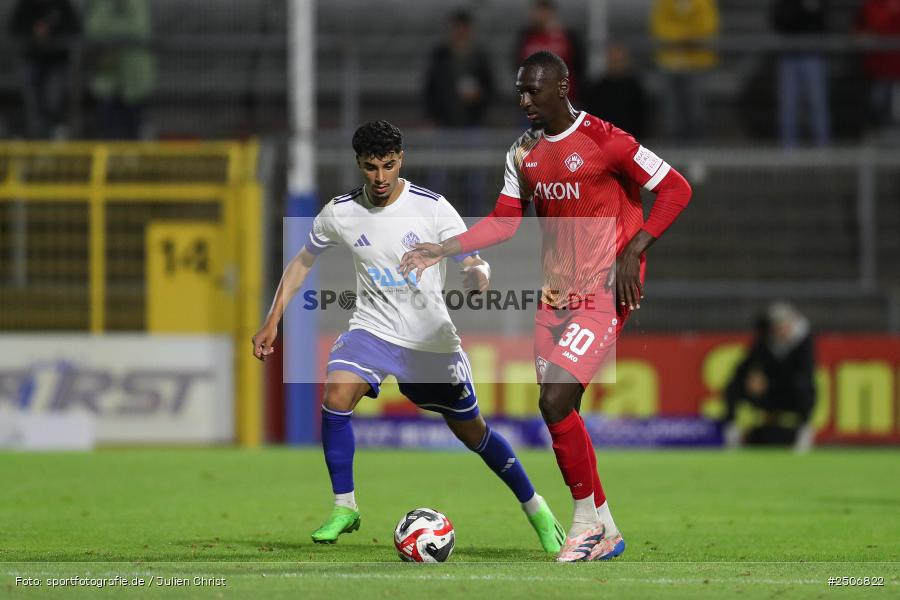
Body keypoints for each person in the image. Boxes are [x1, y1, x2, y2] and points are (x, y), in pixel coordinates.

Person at [400, 52, 692, 562]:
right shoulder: (523, 152)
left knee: (554, 401)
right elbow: (505, 221)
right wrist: (445, 248)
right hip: (554, 296)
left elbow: (675, 188)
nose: (524, 100)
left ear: (562, 87)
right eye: (520, 90)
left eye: (533, 91)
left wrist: (635, 249)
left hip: (603, 290)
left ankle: (582, 525)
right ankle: (607, 529)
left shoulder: (608, 140)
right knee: (564, 412)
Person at [251, 120, 564, 552]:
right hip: (371, 331)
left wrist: (476, 274)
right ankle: (345, 505)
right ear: (358, 165)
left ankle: (537, 509)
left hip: (430, 344)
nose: (380, 177)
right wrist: (273, 319)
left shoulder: (431, 208)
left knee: (475, 434)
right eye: (370, 167)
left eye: (388, 165)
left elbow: (474, 260)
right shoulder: (340, 212)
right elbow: (303, 261)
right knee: (335, 396)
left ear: (402, 160)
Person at [422, 9, 494, 215]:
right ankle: (436, 220)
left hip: (473, 124)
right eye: (456, 28)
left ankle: (473, 219)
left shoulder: (480, 57)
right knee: (438, 179)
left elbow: (491, 89)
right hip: (444, 125)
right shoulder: (440, 55)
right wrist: (430, 117)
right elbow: (429, 88)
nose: (460, 32)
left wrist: (480, 97)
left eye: (463, 28)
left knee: (475, 180)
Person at [722, 302, 816, 452]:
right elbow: (744, 366)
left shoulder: (803, 341)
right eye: (775, 326)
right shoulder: (766, 339)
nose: (778, 330)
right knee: (733, 385)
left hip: (790, 392)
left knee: (802, 386)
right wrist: (752, 377)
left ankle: (804, 430)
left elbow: (805, 374)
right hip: (768, 392)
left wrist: (769, 381)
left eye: (782, 325)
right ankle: (732, 432)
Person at [8, 0, 81, 139]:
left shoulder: (61, 4)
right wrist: (33, 31)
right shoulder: (26, 4)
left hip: (56, 62)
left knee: (53, 101)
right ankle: (38, 142)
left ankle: (54, 138)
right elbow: (14, 28)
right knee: (34, 107)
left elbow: (75, 28)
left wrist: (52, 33)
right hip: (32, 60)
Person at [649, 0, 719, 143]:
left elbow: (707, 27)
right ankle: (674, 156)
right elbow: (659, 27)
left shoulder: (704, 3)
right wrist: (686, 36)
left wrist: (677, 36)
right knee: (672, 115)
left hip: (697, 64)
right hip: (669, 63)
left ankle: (698, 157)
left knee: (697, 113)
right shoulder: (665, 3)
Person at [84, 0, 155, 139]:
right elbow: (93, 30)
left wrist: (110, 31)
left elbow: (137, 29)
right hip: (105, 79)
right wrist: (120, 32)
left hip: (135, 81)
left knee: (134, 130)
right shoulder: (99, 4)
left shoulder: (137, 3)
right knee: (107, 131)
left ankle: (132, 159)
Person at [769, 0, 831, 148]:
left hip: (813, 55)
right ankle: (788, 152)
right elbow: (778, 19)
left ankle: (823, 151)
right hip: (789, 54)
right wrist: (798, 8)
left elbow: (823, 22)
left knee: (817, 104)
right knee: (788, 106)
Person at [515, 0, 585, 103]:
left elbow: (579, 65)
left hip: (565, 99)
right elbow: (518, 64)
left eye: (543, 11)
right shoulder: (526, 37)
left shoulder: (567, 36)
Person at [583, 42, 648, 140]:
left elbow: (641, 117)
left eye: (619, 60)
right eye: (613, 60)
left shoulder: (635, 88)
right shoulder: (598, 88)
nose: (616, 63)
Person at [857, 0, 900, 139]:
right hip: (878, 71)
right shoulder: (871, 5)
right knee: (877, 106)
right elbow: (858, 31)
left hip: (897, 70)